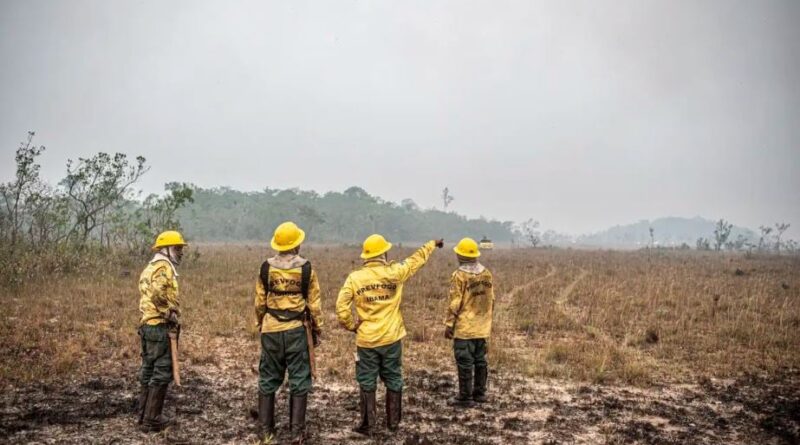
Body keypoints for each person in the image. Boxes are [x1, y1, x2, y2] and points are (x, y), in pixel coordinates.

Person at [336, 234, 443, 436]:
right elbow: (415, 260)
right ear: (384, 253)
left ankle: (368, 424)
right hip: (392, 337)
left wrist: (351, 325)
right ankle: (393, 423)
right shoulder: (395, 272)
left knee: (367, 380)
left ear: (366, 256)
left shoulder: (355, 278)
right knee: (393, 377)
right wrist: (431, 244)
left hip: (367, 340)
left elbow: (341, 307)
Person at [254, 221, 323, 444]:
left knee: (268, 378)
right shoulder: (306, 268)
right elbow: (314, 304)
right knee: (299, 379)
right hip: (297, 330)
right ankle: (297, 433)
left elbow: (259, 303)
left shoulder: (266, 267)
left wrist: (260, 324)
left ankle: (266, 432)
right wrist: (317, 329)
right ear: (297, 244)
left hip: (271, 329)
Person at [137, 230, 188, 432]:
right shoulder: (163, 267)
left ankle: (144, 416)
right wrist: (169, 312)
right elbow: (158, 293)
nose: (180, 252)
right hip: (159, 326)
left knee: (148, 370)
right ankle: (152, 419)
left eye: (181, 248)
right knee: (162, 372)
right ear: (165, 249)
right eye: (177, 248)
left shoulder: (150, 266)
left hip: (147, 325)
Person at [444, 237, 495, 406]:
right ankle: (479, 393)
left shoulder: (459, 276)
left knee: (465, 362)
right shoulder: (487, 274)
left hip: (465, 328)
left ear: (459, 255)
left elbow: (455, 302)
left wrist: (449, 324)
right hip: (482, 328)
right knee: (480, 360)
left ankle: (465, 397)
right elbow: (491, 300)